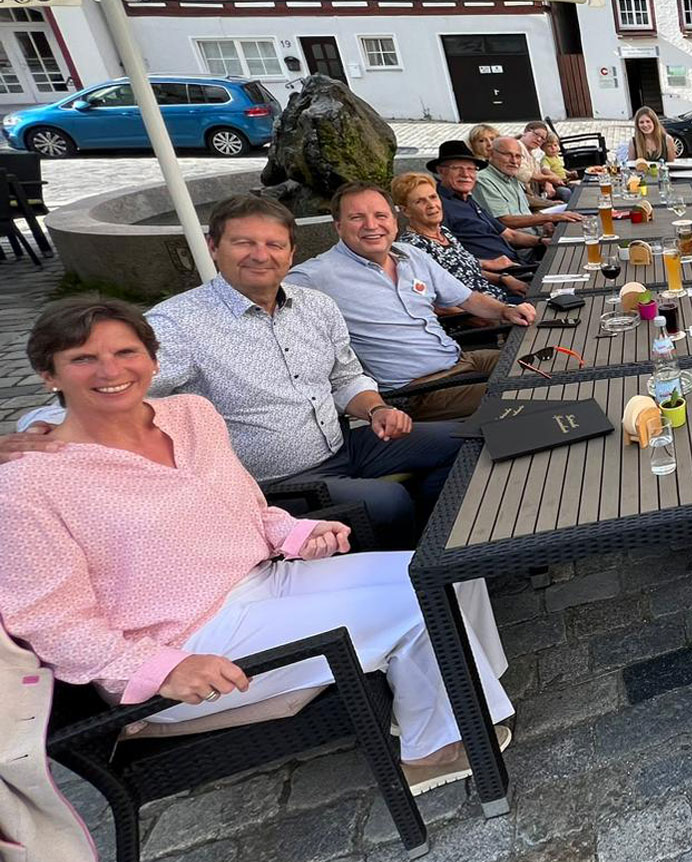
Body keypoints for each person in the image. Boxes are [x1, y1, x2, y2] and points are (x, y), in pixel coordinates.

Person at [0, 298, 514, 793]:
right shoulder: (31, 481)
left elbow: (246, 504)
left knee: (444, 570)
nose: (109, 369)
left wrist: (294, 533)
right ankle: (433, 750)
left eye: (125, 352)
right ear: (50, 375)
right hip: (183, 642)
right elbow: (48, 622)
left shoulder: (190, 415)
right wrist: (157, 669)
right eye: (83, 358)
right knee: (414, 606)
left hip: (264, 580)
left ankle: (455, 704)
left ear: (153, 360)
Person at [12, 194, 462, 551]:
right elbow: (110, 381)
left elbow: (345, 376)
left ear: (290, 251)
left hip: (347, 442)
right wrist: (40, 430)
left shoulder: (315, 306)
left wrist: (376, 407)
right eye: (244, 243)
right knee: (386, 501)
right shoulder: (180, 326)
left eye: (273, 244)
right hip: (275, 482)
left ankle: (429, 536)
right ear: (214, 247)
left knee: (466, 440)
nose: (260, 255)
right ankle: (405, 568)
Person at [287, 182, 536, 421]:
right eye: (357, 218)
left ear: (395, 222)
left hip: (461, 359)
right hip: (420, 391)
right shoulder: (317, 275)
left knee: (550, 367)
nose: (371, 225)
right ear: (338, 226)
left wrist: (506, 311)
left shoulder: (411, 254)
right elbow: (261, 296)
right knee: (528, 393)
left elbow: (467, 298)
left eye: (380, 215)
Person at [395, 172, 527, 301]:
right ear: (406, 211)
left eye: (433, 197)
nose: (431, 205)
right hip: (482, 313)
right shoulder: (412, 247)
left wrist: (503, 278)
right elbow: (433, 301)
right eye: (420, 201)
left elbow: (467, 272)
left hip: (499, 297)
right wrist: (498, 315)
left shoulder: (444, 232)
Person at [429, 140, 545, 264]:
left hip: (516, 263)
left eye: (471, 169)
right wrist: (492, 269)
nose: (466, 174)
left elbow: (510, 235)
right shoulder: (437, 206)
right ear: (441, 171)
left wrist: (541, 241)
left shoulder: (468, 200)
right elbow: (444, 258)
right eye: (457, 168)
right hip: (498, 275)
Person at [474, 137, 583, 231]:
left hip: (536, 233)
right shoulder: (483, 180)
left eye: (518, 156)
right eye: (507, 155)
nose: (514, 161)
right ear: (491, 154)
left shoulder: (511, 175)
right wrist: (550, 217)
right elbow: (504, 221)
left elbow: (524, 208)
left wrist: (545, 221)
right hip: (523, 246)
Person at [515, 121, 570, 204]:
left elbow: (538, 172)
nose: (539, 139)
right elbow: (524, 174)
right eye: (536, 134)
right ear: (526, 131)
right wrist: (550, 178)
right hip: (522, 199)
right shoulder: (516, 148)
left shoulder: (530, 154)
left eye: (542, 138)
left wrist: (547, 183)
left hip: (534, 195)